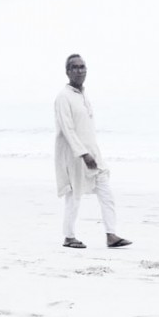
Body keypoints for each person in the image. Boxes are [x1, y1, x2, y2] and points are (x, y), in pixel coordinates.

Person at [54, 54, 131, 249]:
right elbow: (67, 129)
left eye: (82, 67)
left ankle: (111, 235)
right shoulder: (63, 97)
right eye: (75, 67)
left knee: (106, 193)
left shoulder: (83, 95)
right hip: (75, 156)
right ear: (67, 72)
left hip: (93, 154)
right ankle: (69, 237)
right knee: (74, 197)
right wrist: (83, 154)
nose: (80, 70)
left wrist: (92, 153)